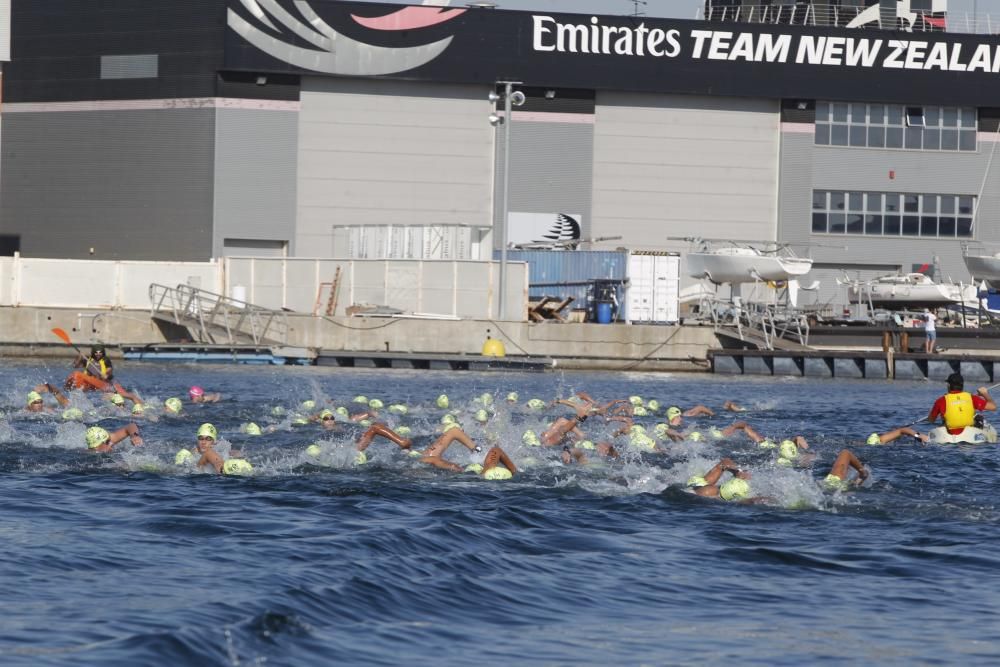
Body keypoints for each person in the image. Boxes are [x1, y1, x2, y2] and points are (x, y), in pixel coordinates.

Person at [357, 423, 517, 479]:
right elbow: (496, 450)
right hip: (425, 461)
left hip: (425, 461)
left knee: (432, 459)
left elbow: (432, 461)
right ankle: (403, 443)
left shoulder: (484, 471)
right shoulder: (485, 471)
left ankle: (403, 442)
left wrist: (476, 451)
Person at [927, 372, 997, 438]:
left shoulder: (941, 401)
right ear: (962, 385)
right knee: (978, 417)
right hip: (970, 435)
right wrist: (985, 394)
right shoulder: (971, 397)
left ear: (948, 385)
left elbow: (931, 420)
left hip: (950, 436)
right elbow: (993, 407)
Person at [188, 423, 253, 475]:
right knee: (208, 453)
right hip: (214, 470)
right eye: (201, 438)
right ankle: (223, 469)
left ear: (213, 441)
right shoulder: (194, 452)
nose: (204, 442)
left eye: (208, 439)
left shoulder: (219, 448)